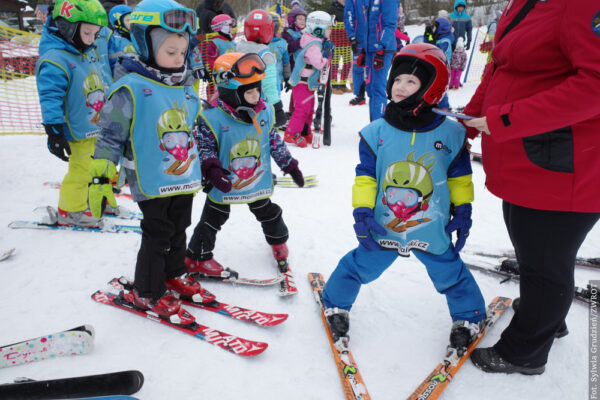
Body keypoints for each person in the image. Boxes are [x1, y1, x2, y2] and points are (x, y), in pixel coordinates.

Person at [321, 43, 486, 361]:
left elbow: (460, 177)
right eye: (397, 79)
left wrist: (463, 210)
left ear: (432, 88)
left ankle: (468, 315)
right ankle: (336, 301)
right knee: (360, 265)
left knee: (450, 272)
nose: (400, 86)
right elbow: (366, 177)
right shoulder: (375, 133)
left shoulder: (451, 134)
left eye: (411, 81)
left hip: (432, 225)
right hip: (384, 224)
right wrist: (362, 210)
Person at [463, 0, 600, 375]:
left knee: (545, 263)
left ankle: (523, 351)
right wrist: (470, 119)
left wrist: (507, 117)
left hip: (567, 165)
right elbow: (500, 66)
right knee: (534, 252)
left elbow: (595, 84)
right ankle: (546, 315)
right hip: (528, 160)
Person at [90, 0, 212, 323]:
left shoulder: (185, 87)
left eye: (182, 53)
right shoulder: (130, 88)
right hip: (150, 178)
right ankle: (146, 290)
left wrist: (209, 164)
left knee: (179, 228)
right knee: (157, 233)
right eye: (170, 52)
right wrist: (101, 177)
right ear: (146, 44)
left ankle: (173, 273)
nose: (178, 59)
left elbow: (193, 128)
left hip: (182, 177)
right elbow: (108, 137)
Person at [184, 52, 305, 281]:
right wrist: (213, 170)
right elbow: (204, 148)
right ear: (230, 92)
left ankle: (279, 243)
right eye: (248, 91)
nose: (256, 95)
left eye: (257, 89)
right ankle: (197, 257)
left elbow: (273, 142)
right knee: (212, 219)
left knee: (269, 213)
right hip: (225, 182)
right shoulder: (211, 118)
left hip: (256, 181)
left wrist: (289, 165)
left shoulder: (264, 111)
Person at [36, 0, 112, 227]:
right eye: (87, 32)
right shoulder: (55, 60)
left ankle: (89, 200)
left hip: (93, 125)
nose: (92, 39)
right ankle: (70, 210)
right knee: (80, 172)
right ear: (67, 27)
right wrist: (54, 130)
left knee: (94, 168)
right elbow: (50, 97)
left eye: (96, 34)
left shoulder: (83, 51)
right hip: (76, 130)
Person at [284, 11, 334, 148]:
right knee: (302, 109)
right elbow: (318, 62)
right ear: (318, 30)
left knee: (309, 108)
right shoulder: (314, 45)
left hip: (307, 83)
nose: (330, 32)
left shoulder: (313, 40)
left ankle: (304, 131)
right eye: (328, 29)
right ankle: (291, 133)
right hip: (302, 83)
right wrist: (326, 59)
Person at [343, 0, 397, 121]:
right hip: (370, 50)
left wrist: (381, 49)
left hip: (383, 50)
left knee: (378, 88)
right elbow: (367, 26)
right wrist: (364, 49)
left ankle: (380, 127)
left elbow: (390, 25)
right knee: (371, 89)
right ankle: (375, 125)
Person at [327, 0, 351, 95]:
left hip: (346, 40)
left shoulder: (349, 8)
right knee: (335, 63)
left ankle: (342, 84)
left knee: (347, 63)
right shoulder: (331, 9)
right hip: (335, 41)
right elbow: (328, 24)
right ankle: (334, 85)